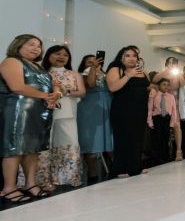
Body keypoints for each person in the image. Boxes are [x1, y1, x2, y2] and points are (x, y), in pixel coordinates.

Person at [0, 35, 60, 203]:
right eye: (31, 44)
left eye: (39, 46)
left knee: (33, 148)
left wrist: (56, 94)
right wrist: (47, 96)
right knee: (15, 148)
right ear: (18, 45)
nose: (36, 48)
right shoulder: (12, 61)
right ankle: (9, 188)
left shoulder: (38, 66)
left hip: (38, 110)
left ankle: (31, 184)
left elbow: (55, 85)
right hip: (18, 109)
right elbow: (17, 87)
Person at [37, 45, 86, 190]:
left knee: (70, 142)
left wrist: (66, 91)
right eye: (57, 53)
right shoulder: (41, 72)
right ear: (49, 55)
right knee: (44, 145)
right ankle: (42, 179)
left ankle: (68, 177)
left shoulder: (73, 73)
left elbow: (82, 92)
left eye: (65, 55)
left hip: (68, 113)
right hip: (44, 112)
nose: (61, 57)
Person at [106, 46, 149, 177]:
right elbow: (112, 87)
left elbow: (146, 85)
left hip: (140, 109)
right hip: (123, 110)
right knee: (123, 139)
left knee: (138, 138)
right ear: (121, 57)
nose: (131, 58)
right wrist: (128, 75)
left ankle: (136, 167)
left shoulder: (141, 70)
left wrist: (151, 89)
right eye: (127, 55)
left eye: (134, 56)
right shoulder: (116, 68)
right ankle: (120, 169)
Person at [77, 54, 114, 183]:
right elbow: (91, 84)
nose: (93, 63)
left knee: (111, 136)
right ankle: (92, 171)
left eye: (95, 61)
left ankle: (116, 165)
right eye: (89, 62)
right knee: (91, 139)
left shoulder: (106, 74)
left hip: (108, 105)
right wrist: (93, 69)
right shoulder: (83, 75)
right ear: (84, 64)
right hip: (90, 107)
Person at [152, 57, 184, 160]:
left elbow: (183, 85)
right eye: (169, 62)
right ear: (166, 64)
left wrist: (178, 74)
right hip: (163, 103)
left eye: (174, 62)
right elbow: (153, 83)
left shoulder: (178, 75)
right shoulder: (161, 74)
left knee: (177, 126)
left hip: (176, 102)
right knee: (163, 129)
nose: (171, 64)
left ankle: (178, 151)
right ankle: (162, 153)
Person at [147, 78, 177, 164]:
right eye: (164, 84)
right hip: (157, 118)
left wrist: (172, 123)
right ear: (159, 85)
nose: (166, 87)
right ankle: (157, 158)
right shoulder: (154, 95)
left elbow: (174, 111)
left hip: (167, 119)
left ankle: (165, 157)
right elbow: (150, 109)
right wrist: (150, 122)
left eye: (167, 85)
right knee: (157, 139)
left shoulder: (171, 96)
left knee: (165, 138)